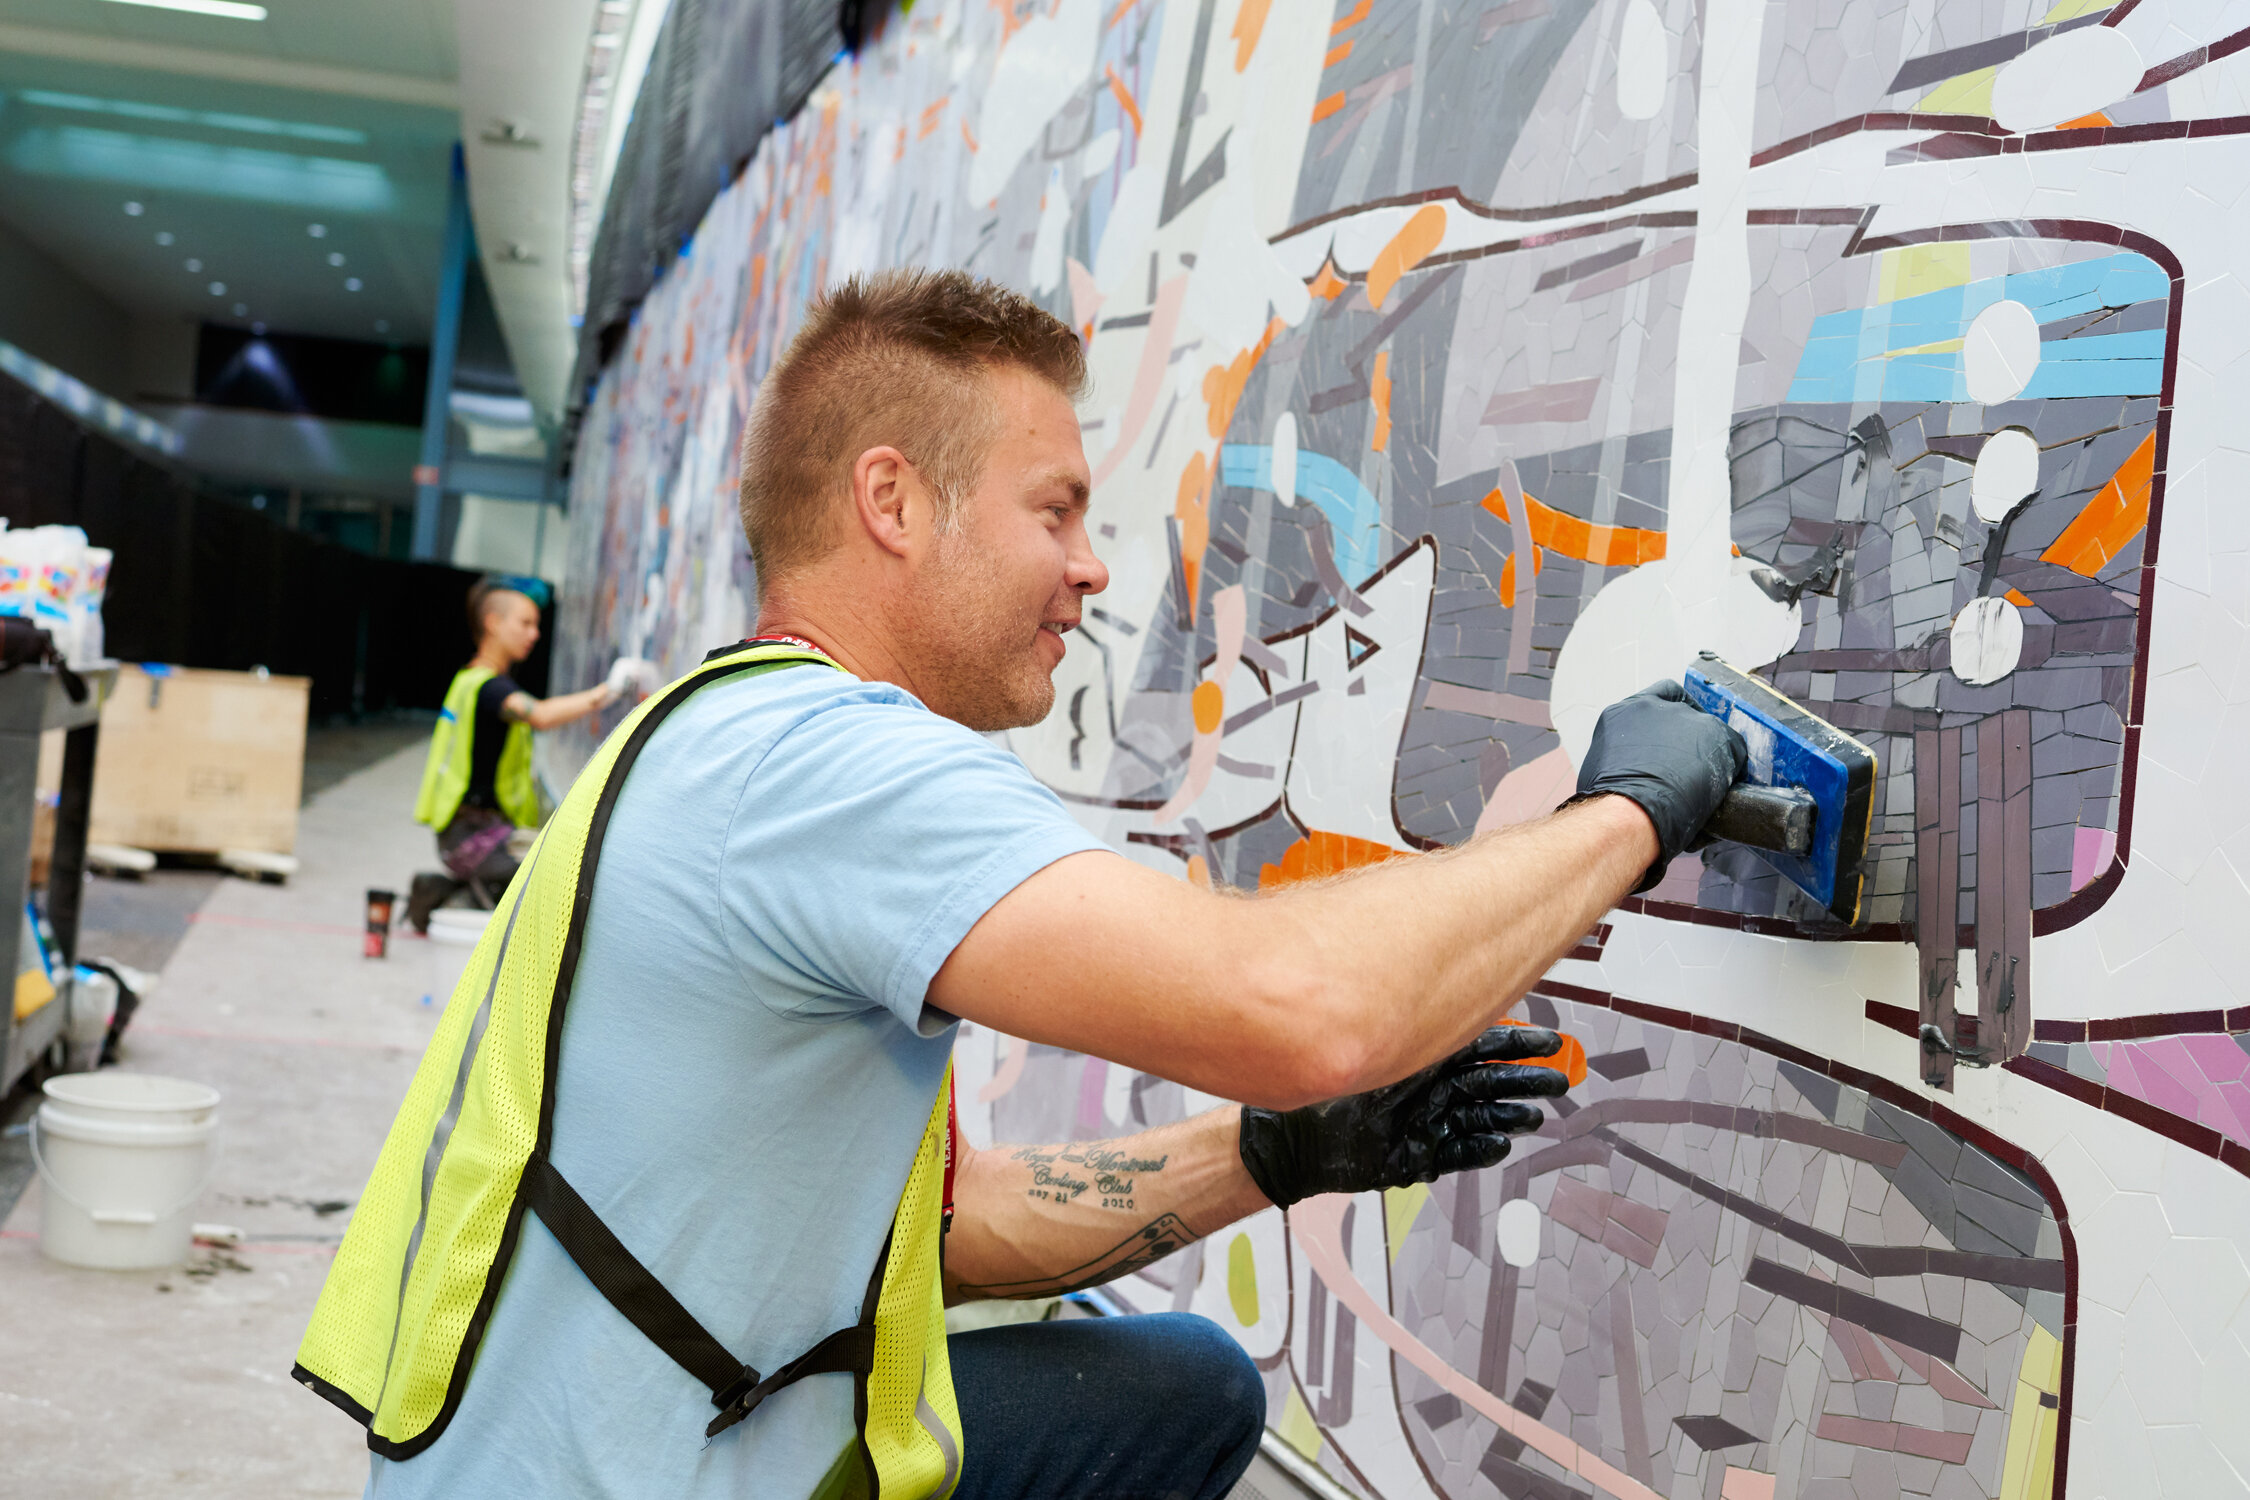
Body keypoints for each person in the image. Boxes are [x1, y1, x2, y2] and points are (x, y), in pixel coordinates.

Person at [300, 271, 1743, 1499]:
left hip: (565, 1456)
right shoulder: (830, 764)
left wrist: (1273, 1156)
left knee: (1179, 1385)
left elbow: (938, 1238)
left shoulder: (727, 734)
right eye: (1053, 512)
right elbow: (1303, 1006)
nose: (1091, 567)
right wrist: (1626, 813)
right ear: (894, 502)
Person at [404, 580, 641, 927]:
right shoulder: (491, 689)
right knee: (555, 886)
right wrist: (608, 691)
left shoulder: (467, 680)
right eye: (525, 623)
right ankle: (457, 895)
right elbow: (540, 716)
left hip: (464, 836)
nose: (534, 634)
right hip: (474, 839)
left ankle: (448, 890)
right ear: (493, 623)